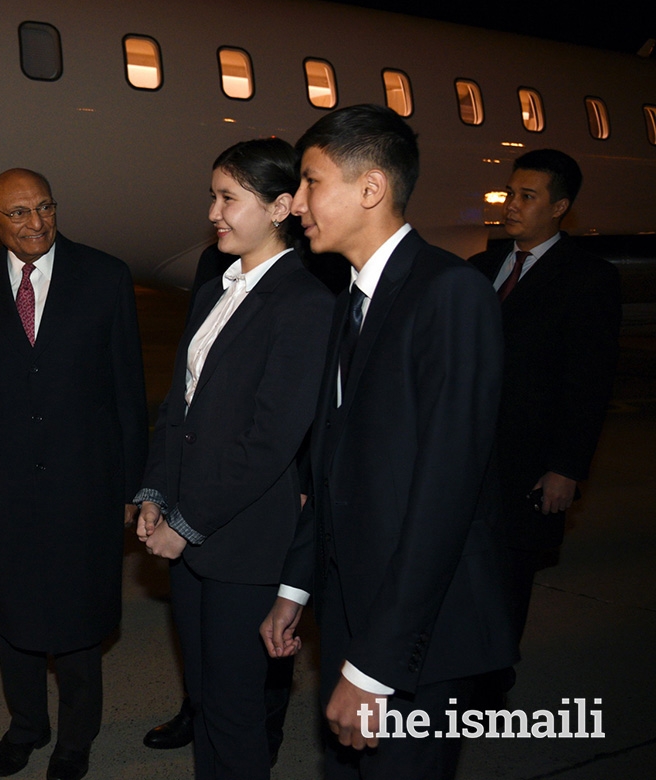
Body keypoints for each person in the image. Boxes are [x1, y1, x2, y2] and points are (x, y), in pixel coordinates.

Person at [261, 104, 516, 779]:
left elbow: (443, 497)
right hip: (355, 613)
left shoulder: (450, 295)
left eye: (311, 182)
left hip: (417, 641)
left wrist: (376, 670)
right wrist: (297, 585)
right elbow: (337, 467)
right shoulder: (353, 298)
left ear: (371, 188)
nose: (296, 203)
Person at [0, 169, 148, 780]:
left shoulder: (105, 277)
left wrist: (134, 490)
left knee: (80, 624)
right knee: (11, 616)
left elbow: (127, 395)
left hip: (86, 488)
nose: (36, 223)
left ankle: (76, 741)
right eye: (20, 213)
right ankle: (27, 725)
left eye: (45, 208)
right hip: (0, 492)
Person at [135, 139, 332, 778]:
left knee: (236, 712)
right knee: (207, 698)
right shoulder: (219, 286)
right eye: (213, 196)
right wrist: (156, 492)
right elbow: (177, 410)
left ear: (280, 208)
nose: (213, 212)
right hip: (189, 532)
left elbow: (268, 443)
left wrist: (186, 523)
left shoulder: (302, 301)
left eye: (228, 198)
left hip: (242, 541)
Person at [468, 149, 621, 672]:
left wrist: (567, 468)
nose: (511, 205)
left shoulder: (588, 279)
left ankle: (491, 679)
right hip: (466, 460)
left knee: (508, 578)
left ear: (559, 208)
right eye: (510, 193)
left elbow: (589, 383)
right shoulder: (481, 267)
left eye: (526, 197)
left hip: (526, 464)